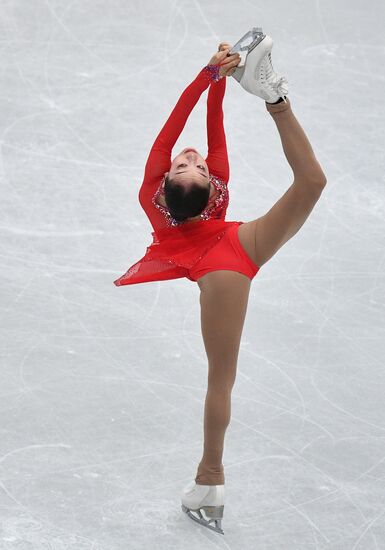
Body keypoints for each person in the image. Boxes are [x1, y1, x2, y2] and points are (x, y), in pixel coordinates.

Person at [114, 29, 327, 535]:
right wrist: (213, 76)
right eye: (194, 167)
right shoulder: (212, 188)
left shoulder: (155, 192)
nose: (190, 157)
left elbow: (183, 133)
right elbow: (205, 137)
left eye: (189, 164)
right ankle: (211, 474)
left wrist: (217, 79)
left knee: (314, 183)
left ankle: (274, 94)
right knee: (221, 376)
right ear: (210, 189)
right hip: (222, 266)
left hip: (230, 248)